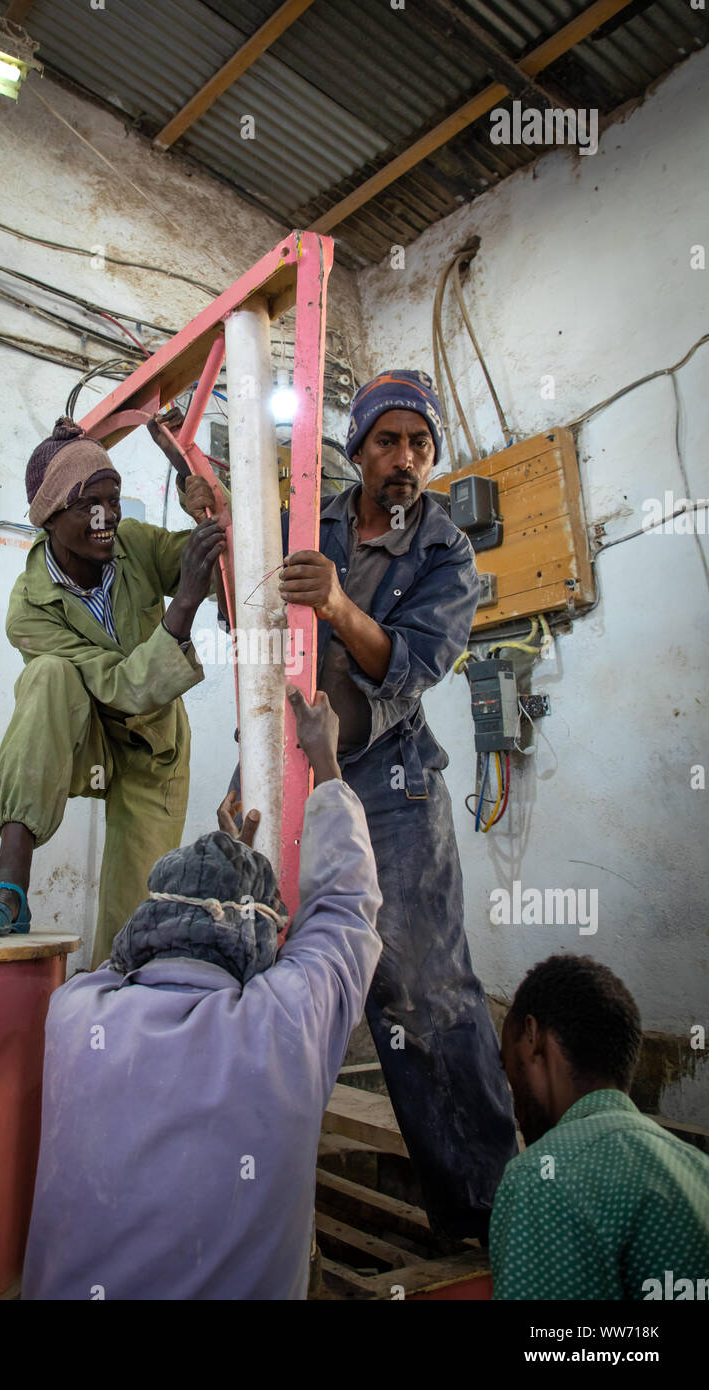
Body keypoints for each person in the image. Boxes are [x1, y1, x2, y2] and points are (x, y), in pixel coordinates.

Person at [244, 369, 517, 1241]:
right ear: (356, 448)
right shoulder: (310, 520)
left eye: (420, 444)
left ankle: (479, 1212)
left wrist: (334, 601)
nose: (404, 459)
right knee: (258, 959)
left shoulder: (446, 551)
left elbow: (412, 665)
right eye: (387, 441)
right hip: (291, 763)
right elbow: (257, 623)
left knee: (424, 993)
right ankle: (249, 1199)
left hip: (390, 783)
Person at [21, 686, 382, 1301]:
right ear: (266, 941)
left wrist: (234, 880)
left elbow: (130, 948)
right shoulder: (283, 1025)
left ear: (147, 922)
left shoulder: (75, 1013)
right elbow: (346, 913)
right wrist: (326, 767)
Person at [0, 417, 226, 969]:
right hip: (84, 739)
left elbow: (222, 559)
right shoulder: (29, 608)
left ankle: (113, 1030)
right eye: (88, 505)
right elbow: (122, 686)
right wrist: (183, 607)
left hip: (154, 750)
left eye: (114, 498)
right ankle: (10, 883)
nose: (108, 517)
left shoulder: (134, 544)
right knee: (48, 676)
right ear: (50, 516)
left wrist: (201, 486)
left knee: (135, 925)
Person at [492, 953, 709, 1300]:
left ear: (532, 1037)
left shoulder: (541, 1179)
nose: (511, 1090)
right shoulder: (699, 1170)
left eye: (508, 1064)